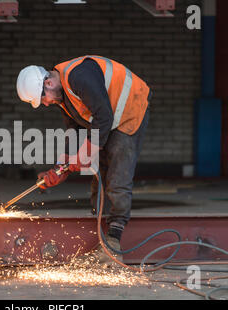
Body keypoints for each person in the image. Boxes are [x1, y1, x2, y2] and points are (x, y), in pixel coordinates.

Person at [16, 55, 151, 265]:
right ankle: (102, 239)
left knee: (116, 173)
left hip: (129, 110)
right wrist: (61, 168)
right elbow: (75, 132)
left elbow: (104, 117)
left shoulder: (79, 77)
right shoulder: (63, 99)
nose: (45, 103)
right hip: (108, 117)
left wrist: (87, 152)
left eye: (43, 98)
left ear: (48, 83)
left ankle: (114, 241)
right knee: (101, 176)